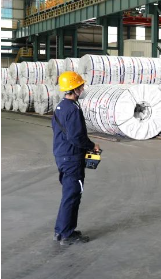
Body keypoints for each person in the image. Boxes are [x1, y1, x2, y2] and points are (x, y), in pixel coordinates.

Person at [52, 71, 100, 245]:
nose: (83, 88)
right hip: (71, 158)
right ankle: (67, 234)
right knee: (72, 195)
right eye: (81, 86)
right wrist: (91, 145)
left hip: (62, 155)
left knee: (68, 194)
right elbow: (76, 137)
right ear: (74, 88)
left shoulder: (60, 107)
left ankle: (61, 230)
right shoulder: (72, 109)